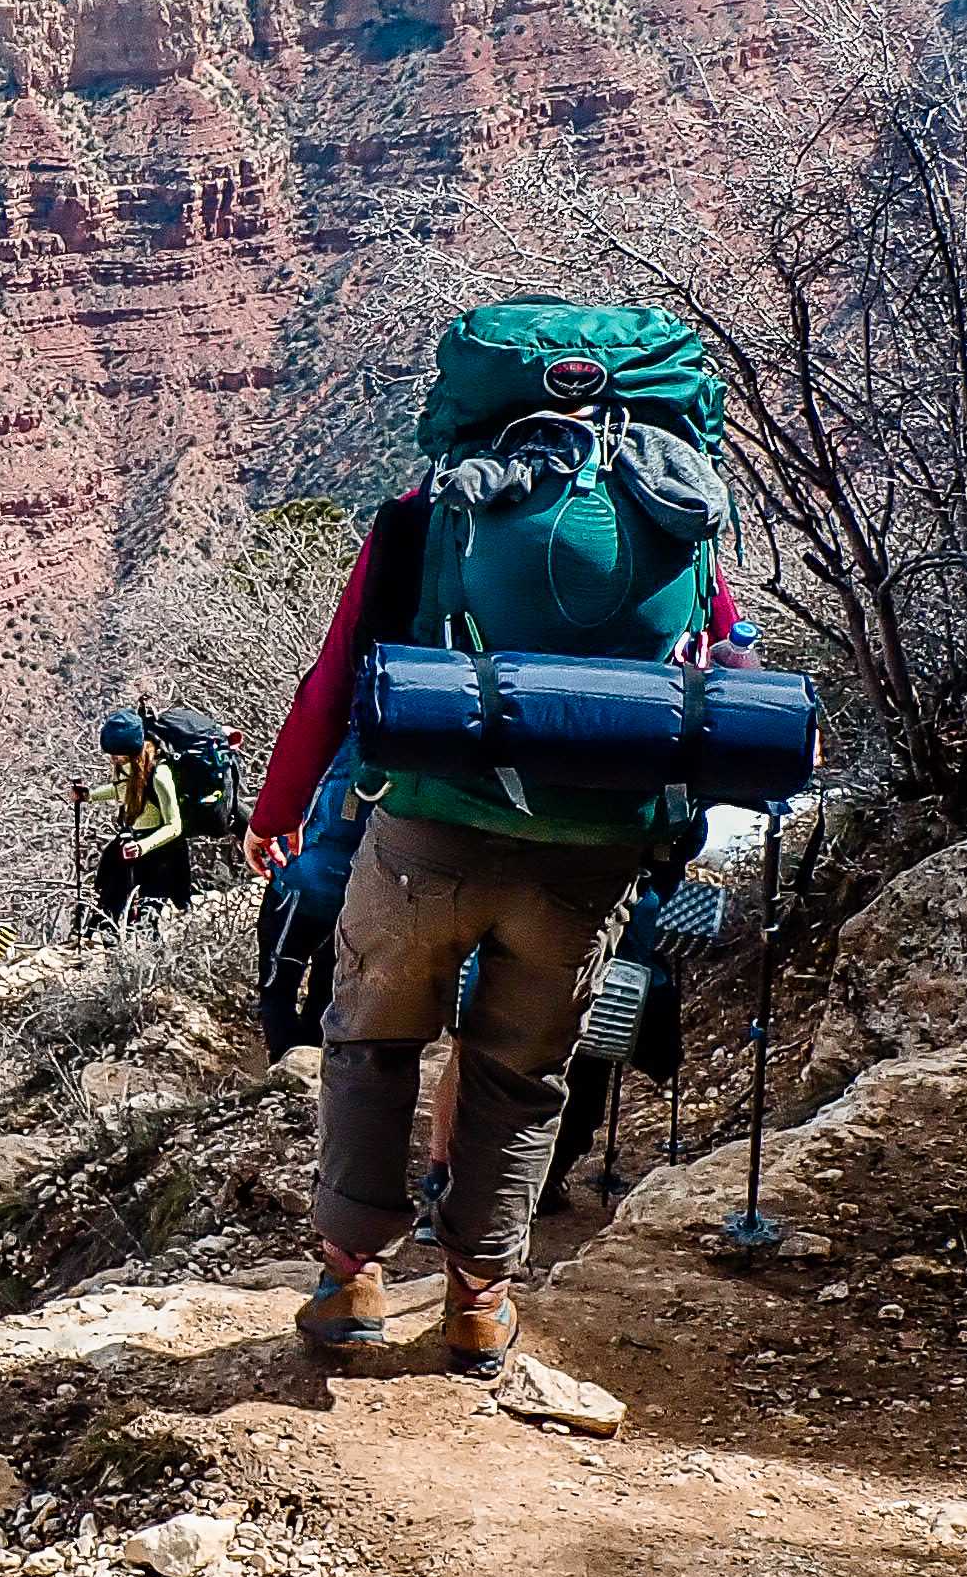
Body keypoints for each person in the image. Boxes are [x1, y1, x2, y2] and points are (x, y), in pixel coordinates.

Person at [246, 490, 749, 1376]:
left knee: (370, 1037)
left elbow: (335, 673)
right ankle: (479, 1304)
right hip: (590, 855)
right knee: (522, 1072)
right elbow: (724, 670)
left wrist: (279, 806)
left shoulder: (428, 507)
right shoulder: (674, 510)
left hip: (429, 835)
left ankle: (349, 1283)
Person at [538, 848, 699, 1214]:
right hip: (613, 997)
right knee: (582, 1098)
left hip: (546, 979)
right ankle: (546, 1180)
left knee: (531, 1087)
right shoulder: (650, 875)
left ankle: (526, 1183)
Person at [252, 744, 371, 1056]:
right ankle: (312, 1067)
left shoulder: (330, 746)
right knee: (327, 984)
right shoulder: (401, 757)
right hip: (355, 888)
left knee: (277, 984)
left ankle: (285, 1069)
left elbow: (288, 806)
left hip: (300, 885)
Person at [90, 713, 194, 924]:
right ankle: (110, 943)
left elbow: (174, 826)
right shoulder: (128, 768)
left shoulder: (159, 774)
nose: (113, 760)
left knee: (149, 914)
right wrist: (89, 796)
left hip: (163, 851)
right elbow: (123, 789)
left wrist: (142, 846)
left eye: (118, 756)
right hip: (137, 842)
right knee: (110, 897)